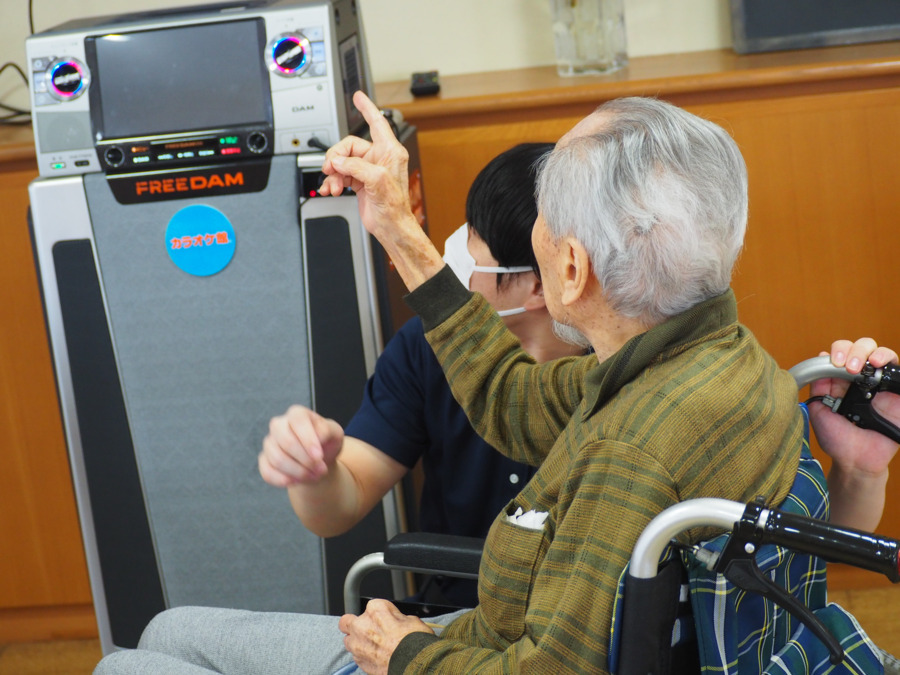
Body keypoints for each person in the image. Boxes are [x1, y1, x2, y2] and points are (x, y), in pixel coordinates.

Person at [94, 95, 899, 675]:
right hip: (478, 637)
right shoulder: (722, 362)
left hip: (450, 655)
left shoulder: (633, 451)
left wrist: (406, 649)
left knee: (130, 664)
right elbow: (512, 401)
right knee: (165, 629)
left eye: (546, 223)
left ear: (570, 269)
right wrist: (400, 234)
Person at [258, 142, 584, 607]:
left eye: (476, 240)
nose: (456, 248)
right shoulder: (424, 349)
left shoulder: (619, 370)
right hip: (452, 614)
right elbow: (342, 504)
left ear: (538, 285)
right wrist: (314, 468)